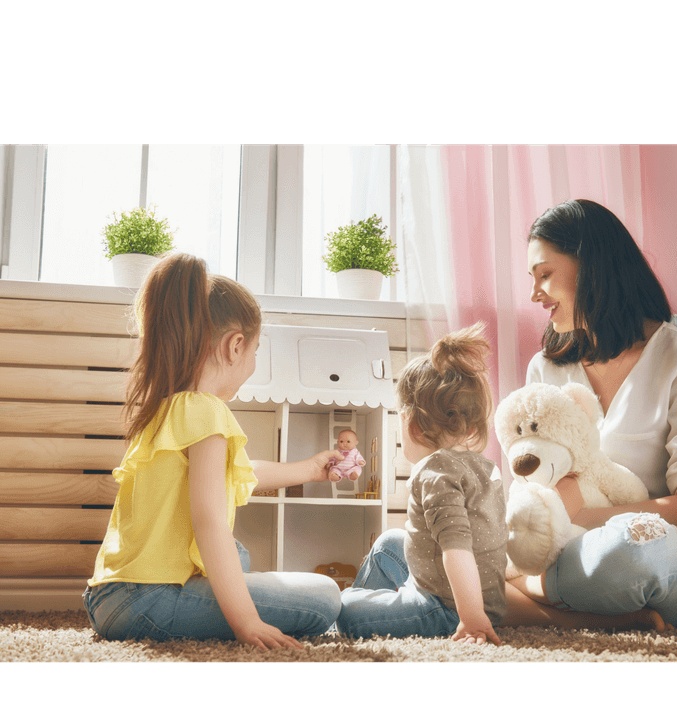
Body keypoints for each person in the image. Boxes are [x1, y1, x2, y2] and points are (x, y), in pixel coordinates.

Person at [82, 253, 344, 651]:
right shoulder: (207, 412)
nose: (253, 362)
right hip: (147, 600)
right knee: (325, 597)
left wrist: (310, 469)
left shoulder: (168, 407)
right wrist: (247, 621)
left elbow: (235, 474)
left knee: (235, 555)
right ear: (235, 346)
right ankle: (236, 602)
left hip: (110, 595)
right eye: (256, 351)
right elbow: (209, 521)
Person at [502, 199, 677, 631]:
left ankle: (517, 595)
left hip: (647, 551)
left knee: (625, 558)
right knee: (439, 547)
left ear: (591, 266)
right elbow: (528, 488)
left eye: (544, 274)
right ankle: (607, 621)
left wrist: (586, 518)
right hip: (564, 552)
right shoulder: (545, 369)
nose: (534, 294)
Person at [336, 323, 508, 645]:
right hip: (482, 599)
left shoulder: (434, 473)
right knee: (390, 542)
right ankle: (387, 608)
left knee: (343, 610)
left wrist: (471, 619)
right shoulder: (485, 466)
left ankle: (384, 613)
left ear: (412, 425)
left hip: (447, 609)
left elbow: (457, 548)